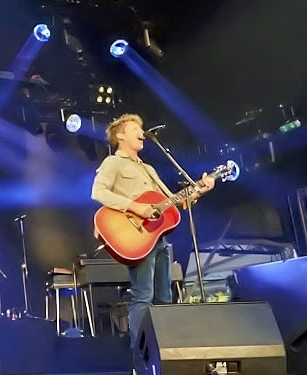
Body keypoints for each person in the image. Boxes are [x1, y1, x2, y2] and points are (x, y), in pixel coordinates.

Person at [91, 114, 215, 351]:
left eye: (142, 128)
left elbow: (173, 200)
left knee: (164, 297)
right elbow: (99, 192)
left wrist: (199, 190)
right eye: (135, 128)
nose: (142, 132)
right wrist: (136, 207)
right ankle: (141, 354)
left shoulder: (148, 168)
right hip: (135, 235)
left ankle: (165, 351)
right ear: (120, 135)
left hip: (158, 237)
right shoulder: (113, 163)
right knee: (143, 295)